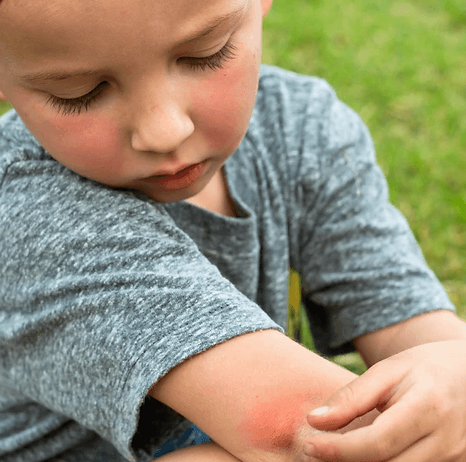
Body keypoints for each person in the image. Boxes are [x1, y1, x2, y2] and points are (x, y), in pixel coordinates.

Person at [0, 0, 465, 461]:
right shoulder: (26, 210)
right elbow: (296, 431)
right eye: (79, 92)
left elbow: (417, 330)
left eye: (206, 52)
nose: (164, 131)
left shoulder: (300, 129)